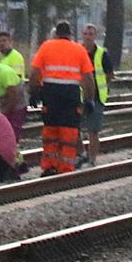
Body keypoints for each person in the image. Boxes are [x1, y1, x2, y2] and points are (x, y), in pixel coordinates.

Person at [29, 21, 96, 176]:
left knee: (50, 130)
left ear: (56, 33)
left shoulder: (46, 46)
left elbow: (34, 73)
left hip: (50, 93)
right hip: (70, 94)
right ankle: (65, 168)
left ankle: (49, 166)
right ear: (70, 34)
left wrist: (33, 93)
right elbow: (88, 79)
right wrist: (89, 99)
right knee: (69, 132)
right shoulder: (79, 50)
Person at [78, 23, 113, 167]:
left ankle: (92, 159)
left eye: (90, 34)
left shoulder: (101, 54)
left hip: (97, 97)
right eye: (85, 34)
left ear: (95, 36)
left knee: (93, 130)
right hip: (78, 96)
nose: (87, 37)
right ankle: (82, 154)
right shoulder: (77, 51)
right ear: (82, 35)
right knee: (74, 128)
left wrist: (100, 86)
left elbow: (110, 74)